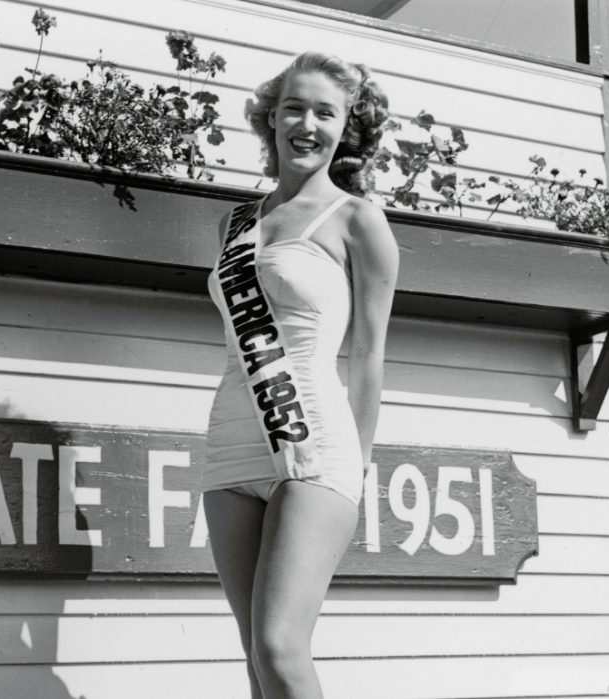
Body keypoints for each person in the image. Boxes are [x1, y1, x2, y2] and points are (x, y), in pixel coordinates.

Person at [202, 52, 398, 699]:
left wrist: (357, 469)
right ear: (271, 117)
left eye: (325, 111)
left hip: (314, 443)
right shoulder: (234, 223)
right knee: (256, 662)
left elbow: (368, 357)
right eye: (294, 106)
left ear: (348, 126)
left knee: (280, 647)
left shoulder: (358, 222)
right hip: (231, 444)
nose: (306, 123)